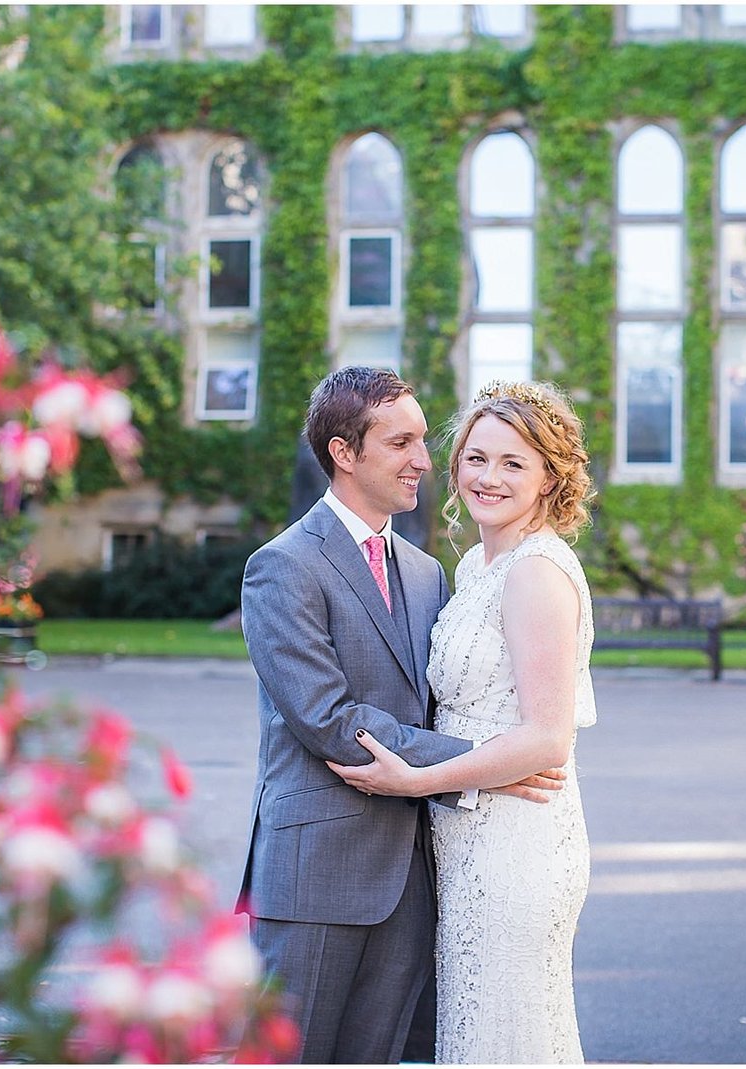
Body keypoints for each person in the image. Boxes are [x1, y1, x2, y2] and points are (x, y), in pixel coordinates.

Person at [236, 366, 564, 1064]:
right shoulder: (282, 566)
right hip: (317, 875)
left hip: (415, 881)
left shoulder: (426, 572)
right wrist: (479, 770)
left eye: (422, 440)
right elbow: (328, 719)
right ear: (344, 452)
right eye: (402, 442)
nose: (424, 459)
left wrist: (489, 762)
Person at [328, 379, 598, 1063]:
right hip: (469, 835)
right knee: (476, 1030)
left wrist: (418, 780)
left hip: (519, 841)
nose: (489, 476)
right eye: (477, 458)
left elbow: (546, 735)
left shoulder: (536, 570)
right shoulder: (478, 563)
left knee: (511, 1033)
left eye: (514, 462)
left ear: (548, 477)